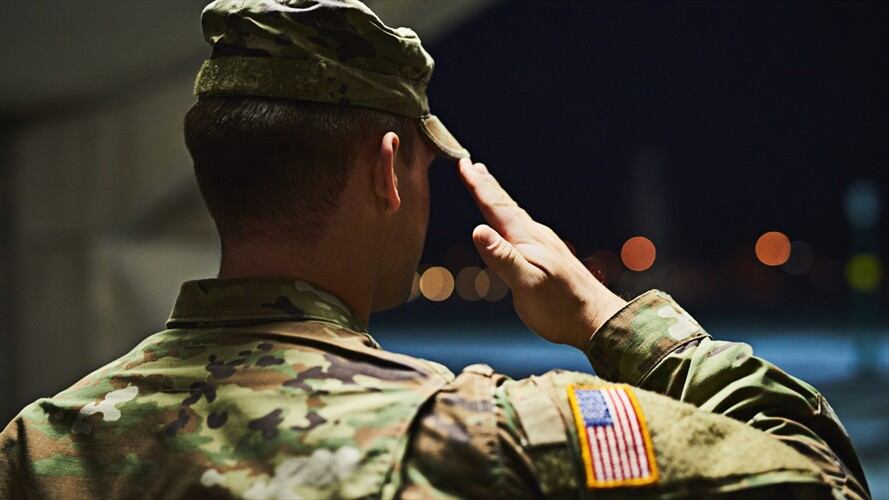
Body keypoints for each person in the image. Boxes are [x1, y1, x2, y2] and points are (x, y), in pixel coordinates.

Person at [0, 1, 870, 498]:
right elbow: (817, 479)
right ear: (388, 169)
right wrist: (611, 322)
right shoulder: (481, 438)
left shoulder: (37, 445)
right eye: (427, 168)